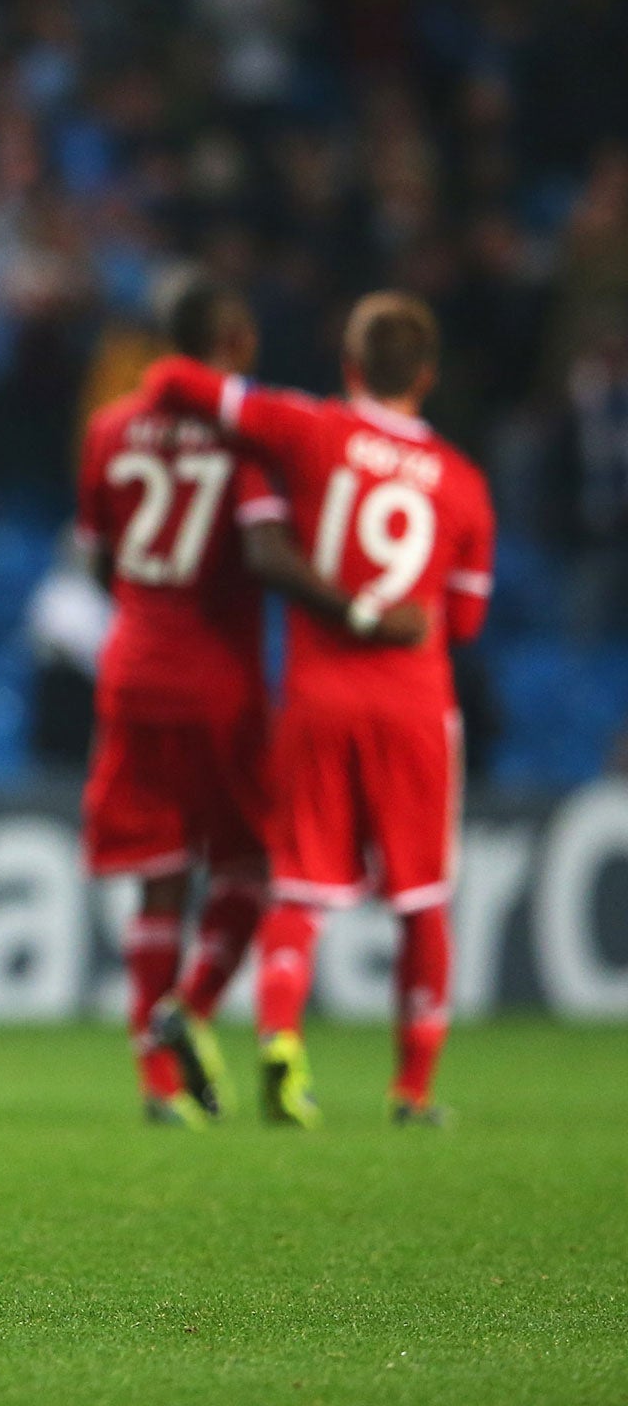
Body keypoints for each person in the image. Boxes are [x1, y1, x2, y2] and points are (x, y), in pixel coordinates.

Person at [142, 291, 495, 1126]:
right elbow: (468, 620)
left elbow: (173, 381)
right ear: (429, 377)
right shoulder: (463, 481)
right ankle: (412, 1092)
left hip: (315, 699)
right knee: (421, 901)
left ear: (349, 366)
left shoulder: (307, 430)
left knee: (299, 888)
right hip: (413, 707)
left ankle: (279, 1043)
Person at [77, 281, 425, 1127]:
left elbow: (98, 558)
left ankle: (158, 1086)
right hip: (218, 684)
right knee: (253, 864)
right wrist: (360, 616)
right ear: (233, 339)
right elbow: (266, 555)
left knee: (158, 880)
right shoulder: (242, 446)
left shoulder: (107, 430)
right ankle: (188, 1014)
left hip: (131, 669)